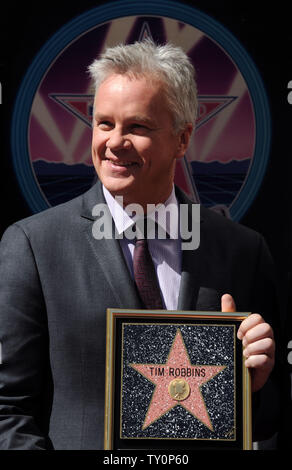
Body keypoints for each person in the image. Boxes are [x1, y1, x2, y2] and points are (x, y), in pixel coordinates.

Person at [0, 40, 279, 449]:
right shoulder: (33, 246)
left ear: (183, 139)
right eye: (104, 123)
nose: (114, 143)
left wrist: (249, 388)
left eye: (138, 127)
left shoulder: (243, 251)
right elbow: (8, 410)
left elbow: (269, 420)